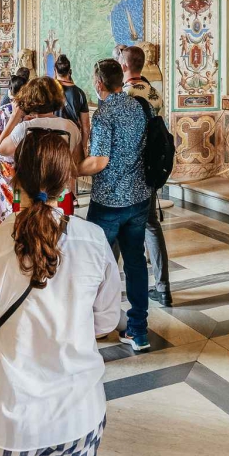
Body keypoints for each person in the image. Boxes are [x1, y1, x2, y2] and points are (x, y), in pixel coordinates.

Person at [0, 129, 120, 456]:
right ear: (67, 181)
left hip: (6, 420)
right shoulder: (94, 240)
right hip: (79, 415)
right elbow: (106, 322)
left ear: (16, 179)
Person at [78, 58, 154, 352]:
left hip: (109, 202)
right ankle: (138, 331)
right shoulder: (139, 106)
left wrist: (71, 169)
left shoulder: (104, 114)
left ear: (99, 84)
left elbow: (99, 161)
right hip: (139, 197)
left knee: (91, 263)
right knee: (135, 263)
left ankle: (88, 326)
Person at [119, 45, 171, 307]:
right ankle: (163, 287)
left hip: (130, 171)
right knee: (151, 224)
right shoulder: (154, 93)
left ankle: (107, 289)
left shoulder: (124, 95)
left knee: (118, 225)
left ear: (124, 66)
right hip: (150, 169)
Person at [0, 77, 82, 214]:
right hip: (60, 191)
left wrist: (14, 117)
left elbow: (1, 149)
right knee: (61, 226)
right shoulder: (71, 127)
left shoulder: (24, 128)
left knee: (24, 225)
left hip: (26, 192)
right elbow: (76, 164)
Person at [0, 67, 31, 228]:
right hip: (25, 168)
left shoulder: (2, 111)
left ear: (10, 93)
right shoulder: (33, 114)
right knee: (20, 206)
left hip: (4, 167)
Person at [54, 54, 90, 129]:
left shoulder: (49, 89)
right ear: (69, 71)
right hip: (72, 132)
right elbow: (85, 125)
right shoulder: (80, 93)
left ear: (55, 70)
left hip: (53, 133)